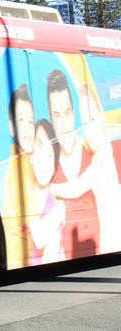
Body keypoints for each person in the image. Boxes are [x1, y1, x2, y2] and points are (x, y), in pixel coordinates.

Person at [52, 84, 121, 254]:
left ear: (101, 118)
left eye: (92, 120)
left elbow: (76, 188)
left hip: (111, 237)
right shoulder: (103, 150)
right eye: (83, 123)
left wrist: (51, 188)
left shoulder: (102, 157)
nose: (88, 129)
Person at [47, 69, 99, 259]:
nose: (65, 124)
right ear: (51, 120)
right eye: (58, 115)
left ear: (74, 113)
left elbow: (77, 189)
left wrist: (48, 189)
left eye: (68, 112)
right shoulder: (48, 166)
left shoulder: (92, 153)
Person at [2, 84, 37, 268]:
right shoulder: (18, 168)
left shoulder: (27, 162)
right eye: (21, 120)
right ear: (11, 127)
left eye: (31, 121)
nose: (27, 129)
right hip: (21, 253)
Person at [26, 120, 66, 265]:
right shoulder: (20, 196)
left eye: (50, 155)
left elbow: (40, 239)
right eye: (40, 146)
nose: (44, 158)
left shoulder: (56, 208)